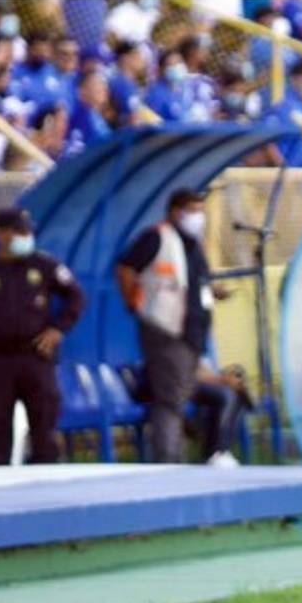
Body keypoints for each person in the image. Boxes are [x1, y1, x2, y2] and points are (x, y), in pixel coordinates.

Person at [116, 189, 215, 464]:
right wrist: (135, 303)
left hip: (192, 332)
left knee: (180, 398)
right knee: (170, 400)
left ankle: (177, 455)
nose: (198, 217)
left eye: (200, 210)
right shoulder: (157, 237)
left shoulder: (194, 243)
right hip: (166, 330)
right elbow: (126, 268)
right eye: (192, 210)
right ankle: (169, 461)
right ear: (175, 211)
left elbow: (193, 283)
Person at [0, 207, 85, 464]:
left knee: (44, 425)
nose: (25, 237)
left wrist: (57, 329)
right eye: (18, 231)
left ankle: (48, 490)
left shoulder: (43, 264)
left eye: (27, 231)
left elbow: (76, 296)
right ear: (1, 234)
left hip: (36, 355)